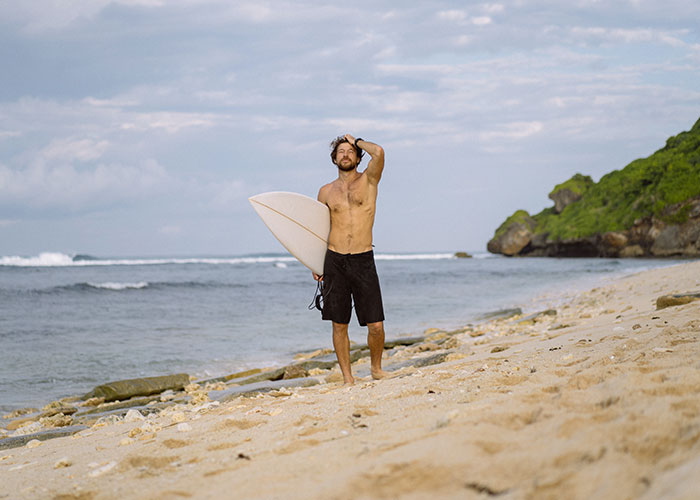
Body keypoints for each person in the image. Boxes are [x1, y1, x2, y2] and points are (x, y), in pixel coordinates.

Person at [314, 133, 388, 385]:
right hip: (334, 261)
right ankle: (348, 378)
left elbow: (378, 151)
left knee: (375, 325)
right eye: (341, 152)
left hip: (362, 259)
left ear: (357, 157)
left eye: (350, 152)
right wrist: (315, 262)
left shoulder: (369, 180)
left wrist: (356, 140)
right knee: (339, 324)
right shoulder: (325, 192)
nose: (345, 155)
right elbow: (319, 230)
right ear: (334, 158)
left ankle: (376, 369)